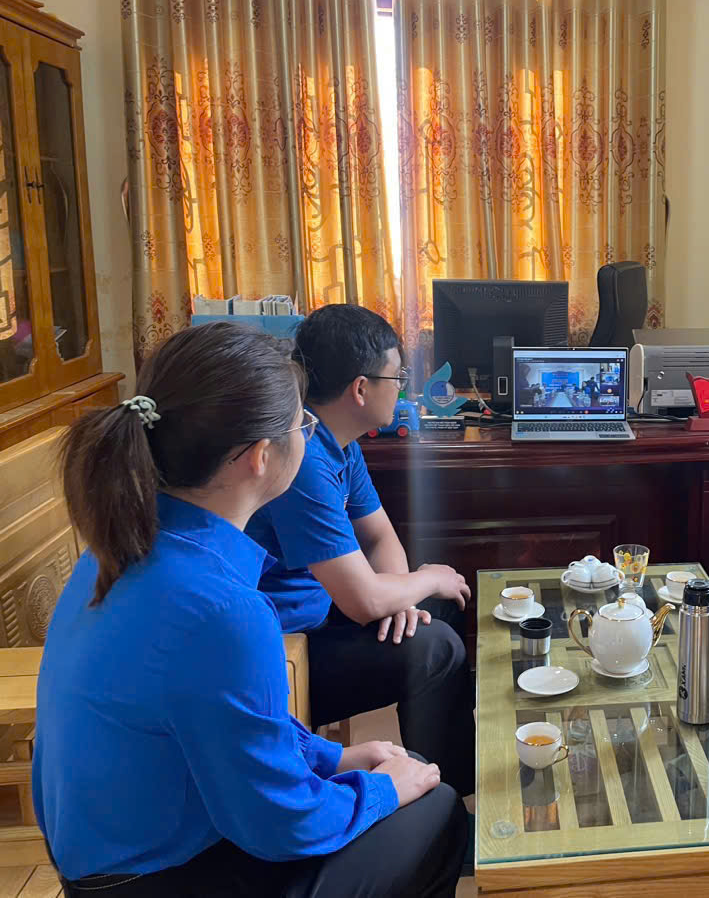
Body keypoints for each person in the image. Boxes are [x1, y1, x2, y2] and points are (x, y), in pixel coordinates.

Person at [35, 322, 467, 897]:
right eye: (302, 425)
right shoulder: (222, 609)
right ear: (261, 456)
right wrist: (383, 790)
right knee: (435, 812)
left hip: (119, 859)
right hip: (158, 880)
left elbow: (235, 726)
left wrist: (331, 757)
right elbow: (281, 826)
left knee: (402, 772)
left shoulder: (117, 547)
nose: (310, 436)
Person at [246, 305, 475, 796]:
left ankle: (454, 778)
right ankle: (444, 794)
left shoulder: (339, 443)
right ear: (360, 389)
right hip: (287, 648)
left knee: (437, 611)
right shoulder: (305, 459)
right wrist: (426, 578)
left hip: (322, 608)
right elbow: (363, 601)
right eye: (398, 377)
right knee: (435, 647)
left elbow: (378, 537)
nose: (403, 388)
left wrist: (404, 599)